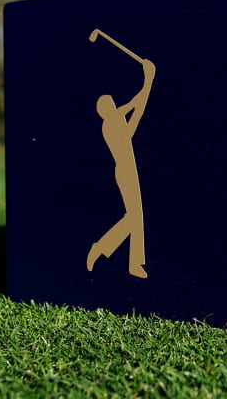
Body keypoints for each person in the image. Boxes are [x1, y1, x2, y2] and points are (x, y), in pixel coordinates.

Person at [85, 29, 155, 279]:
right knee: (134, 216)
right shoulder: (112, 125)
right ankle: (102, 248)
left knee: (136, 217)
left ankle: (132, 263)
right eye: (112, 104)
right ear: (107, 110)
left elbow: (135, 106)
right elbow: (137, 107)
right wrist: (148, 79)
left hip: (127, 168)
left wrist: (148, 81)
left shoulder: (115, 120)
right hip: (125, 171)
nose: (115, 104)